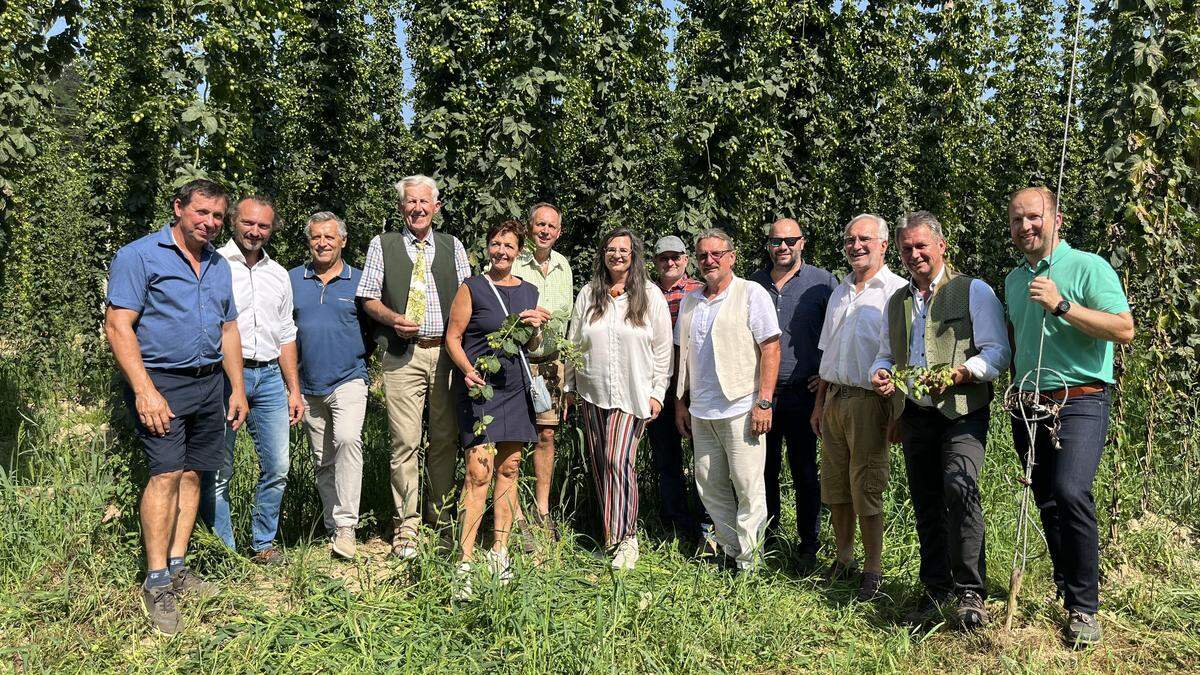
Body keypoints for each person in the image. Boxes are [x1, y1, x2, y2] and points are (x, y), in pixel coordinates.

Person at [104, 179, 248, 634]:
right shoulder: (139, 256)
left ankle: (179, 565)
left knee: (193, 473)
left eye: (217, 216)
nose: (208, 223)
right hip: (161, 382)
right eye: (201, 212)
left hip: (210, 384)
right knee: (165, 472)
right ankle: (156, 580)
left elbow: (228, 330)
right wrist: (145, 390)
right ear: (178, 209)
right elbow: (118, 325)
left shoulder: (219, 264)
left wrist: (237, 389)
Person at [1004, 187, 1133, 646]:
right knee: (1047, 500)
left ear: (1057, 219)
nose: (1025, 227)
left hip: (1081, 399)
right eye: (1017, 220)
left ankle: (1084, 607)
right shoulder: (1014, 280)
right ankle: (1067, 584)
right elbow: (1019, 344)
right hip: (1028, 403)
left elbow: (1124, 328)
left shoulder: (1088, 267)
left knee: (1071, 490)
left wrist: (1062, 304)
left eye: (1034, 217)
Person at [869, 211, 1010, 627]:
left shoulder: (973, 291)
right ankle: (935, 588)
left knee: (958, 485)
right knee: (926, 499)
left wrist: (963, 372)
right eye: (907, 248)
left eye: (922, 246)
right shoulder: (897, 302)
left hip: (963, 411)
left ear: (942, 246)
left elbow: (997, 352)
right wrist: (879, 374)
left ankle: (970, 591)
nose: (915, 255)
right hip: (916, 413)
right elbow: (885, 354)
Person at [357, 174, 472, 558]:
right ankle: (406, 526)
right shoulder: (382, 244)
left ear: (436, 207)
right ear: (401, 206)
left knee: (444, 439)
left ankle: (439, 520)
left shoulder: (453, 246)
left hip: (446, 355)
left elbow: (469, 300)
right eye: (410, 202)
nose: (418, 209)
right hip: (402, 355)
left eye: (425, 202)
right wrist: (392, 319)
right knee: (404, 441)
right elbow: (368, 297)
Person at [445, 219, 550, 597]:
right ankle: (464, 562)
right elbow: (453, 338)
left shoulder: (530, 291)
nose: (501, 251)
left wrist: (536, 327)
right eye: (495, 244)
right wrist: (468, 370)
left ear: (519, 251)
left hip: (516, 389)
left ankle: (499, 553)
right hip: (482, 392)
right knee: (478, 472)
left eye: (508, 245)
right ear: (487, 248)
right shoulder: (472, 287)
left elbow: (532, 345)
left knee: (509, 468)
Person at [201, 195, 303, 564]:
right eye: (248, 223)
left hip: (271, 376)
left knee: (278, 466)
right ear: (233, 222)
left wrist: (294, 388)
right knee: (219, 469)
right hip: (226, 376)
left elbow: (287, 333)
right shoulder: (213, 265)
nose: (255, 231)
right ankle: (223, 552)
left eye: (263, 225)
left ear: (271, 229)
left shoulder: (278, 274)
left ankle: (263, 545)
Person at [563, 229, 673, 569]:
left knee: (617, 459)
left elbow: (662, 348)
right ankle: (611, 538)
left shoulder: (650, 295)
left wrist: (658, 392)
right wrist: (568, 387)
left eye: (623, 250)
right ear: (603, 255)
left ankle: (628, 538)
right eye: (610, 249)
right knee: (600, 463)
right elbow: (573, 343)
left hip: (634, 392)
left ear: (633, 255)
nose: (617, 255)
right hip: (593, 392)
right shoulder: (589, 294)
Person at [811, 213, 906, 601]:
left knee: (866, 486)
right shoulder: (840, 291)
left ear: (884, 244)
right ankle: (844, 557)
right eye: (850, 240)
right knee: (835, 486)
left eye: (864, 239)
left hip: (870, 402)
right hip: (834, 399)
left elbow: (905, 356)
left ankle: (873, 568)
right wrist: (819, 405)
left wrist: (898, 411)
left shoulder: (897, 292)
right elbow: (827, 353)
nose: (856, 246)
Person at [674, 228, 782, 572]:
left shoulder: (751, 293)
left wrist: (763, 402)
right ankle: (732, 550)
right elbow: (683, 354)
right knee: (709, 485)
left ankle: (751, 563)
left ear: (731, 257)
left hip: (740, 406)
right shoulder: (691, 299)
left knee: (749, 486)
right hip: (701, 409)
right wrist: (680, 402)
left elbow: (771, 348)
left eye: (716, 254)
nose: (709, 261)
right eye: (703, 255)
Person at [748, 218, 837, 571]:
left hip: (804, 394)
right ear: (768, 245)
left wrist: (825, 373)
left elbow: (838, 329)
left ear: (802, 242)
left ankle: (808, 545)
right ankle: (769, 539)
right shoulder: (753, 283)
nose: (782, 247)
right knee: (764, 470)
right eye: (775, 241)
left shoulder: (822, 282)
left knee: (803, 471)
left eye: (789, 241)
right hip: (763, 394)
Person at [289, 212, 370, 560]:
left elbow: (374, 324)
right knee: (323, 459)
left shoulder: (361, 280)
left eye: (329, 237)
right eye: (316, 237)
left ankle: (347, 528)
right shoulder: (292, 279)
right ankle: (332, 526)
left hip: (349, 377)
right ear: (309, 242)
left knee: (349, 440)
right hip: (308, 384)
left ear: (343, 241)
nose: (322, 243)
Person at [510, 202, 574, 542]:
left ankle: (542, 509)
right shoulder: (516, 261)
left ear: (559, 231)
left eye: (551, 226)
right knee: (515, 436)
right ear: (529, 227)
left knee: (547, 435)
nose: (545, 231)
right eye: (539, 225)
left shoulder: (564, 266)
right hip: (517, 359)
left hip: (551, 362)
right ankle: (514, 512)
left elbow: (569, 320)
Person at [645, 235, 709, 543]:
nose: (670, 263)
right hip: (658, 389)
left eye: (676, 257)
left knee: (705, 460)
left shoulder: (699, 292)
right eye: (663, 258)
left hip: (695, 389)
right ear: (655, 262)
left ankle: (708, 523)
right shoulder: (644, 293)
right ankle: (677, 525)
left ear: (686, 260)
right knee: (666, 460)